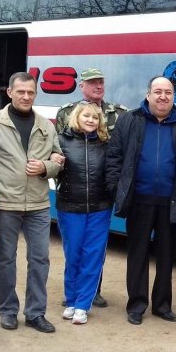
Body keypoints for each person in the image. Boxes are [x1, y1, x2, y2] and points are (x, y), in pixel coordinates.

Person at [106, 75, 176, 325]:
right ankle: (136, 305)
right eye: (158, 91)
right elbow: (114, 157)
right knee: (137, 254)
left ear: (174, 96)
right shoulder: (130, 120)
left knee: (167, 255)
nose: (163, 96)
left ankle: (162, 305)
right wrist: (118, 188)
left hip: (170, 202)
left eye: (168, 92)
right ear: (148, 94)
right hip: (139, 199)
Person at [0, 72, 63, 333]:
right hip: (5, 203)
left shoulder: (45, 125)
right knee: (5, 259)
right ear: (10, 92)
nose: (26, 97)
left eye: (31, 92)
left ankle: (36, 313)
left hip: (38, 203)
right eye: (21, 92)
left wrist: (45, 167)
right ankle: (8, 310)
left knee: (40, 259)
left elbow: (59, 157)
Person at [56, 67, 126, 309]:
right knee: (74, 250)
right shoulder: (66, 112)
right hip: (72, 196)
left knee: (95, 251)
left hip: (99, 197)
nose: (98, 86)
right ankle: (75, 294)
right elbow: (58, 151)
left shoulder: (118, 113)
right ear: (82, 86)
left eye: (101, 82)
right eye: (92, 82)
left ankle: (92, 292)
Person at [57, 102, 113, 326]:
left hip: (100, 208)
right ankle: (70, 300)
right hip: (70, 207)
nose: (91, 120)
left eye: (95, 117)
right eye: (86, 116)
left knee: (93, 257)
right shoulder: (62, 141)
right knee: (73, 255)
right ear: (76, 118)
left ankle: (82, 305)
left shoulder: (106, 144)